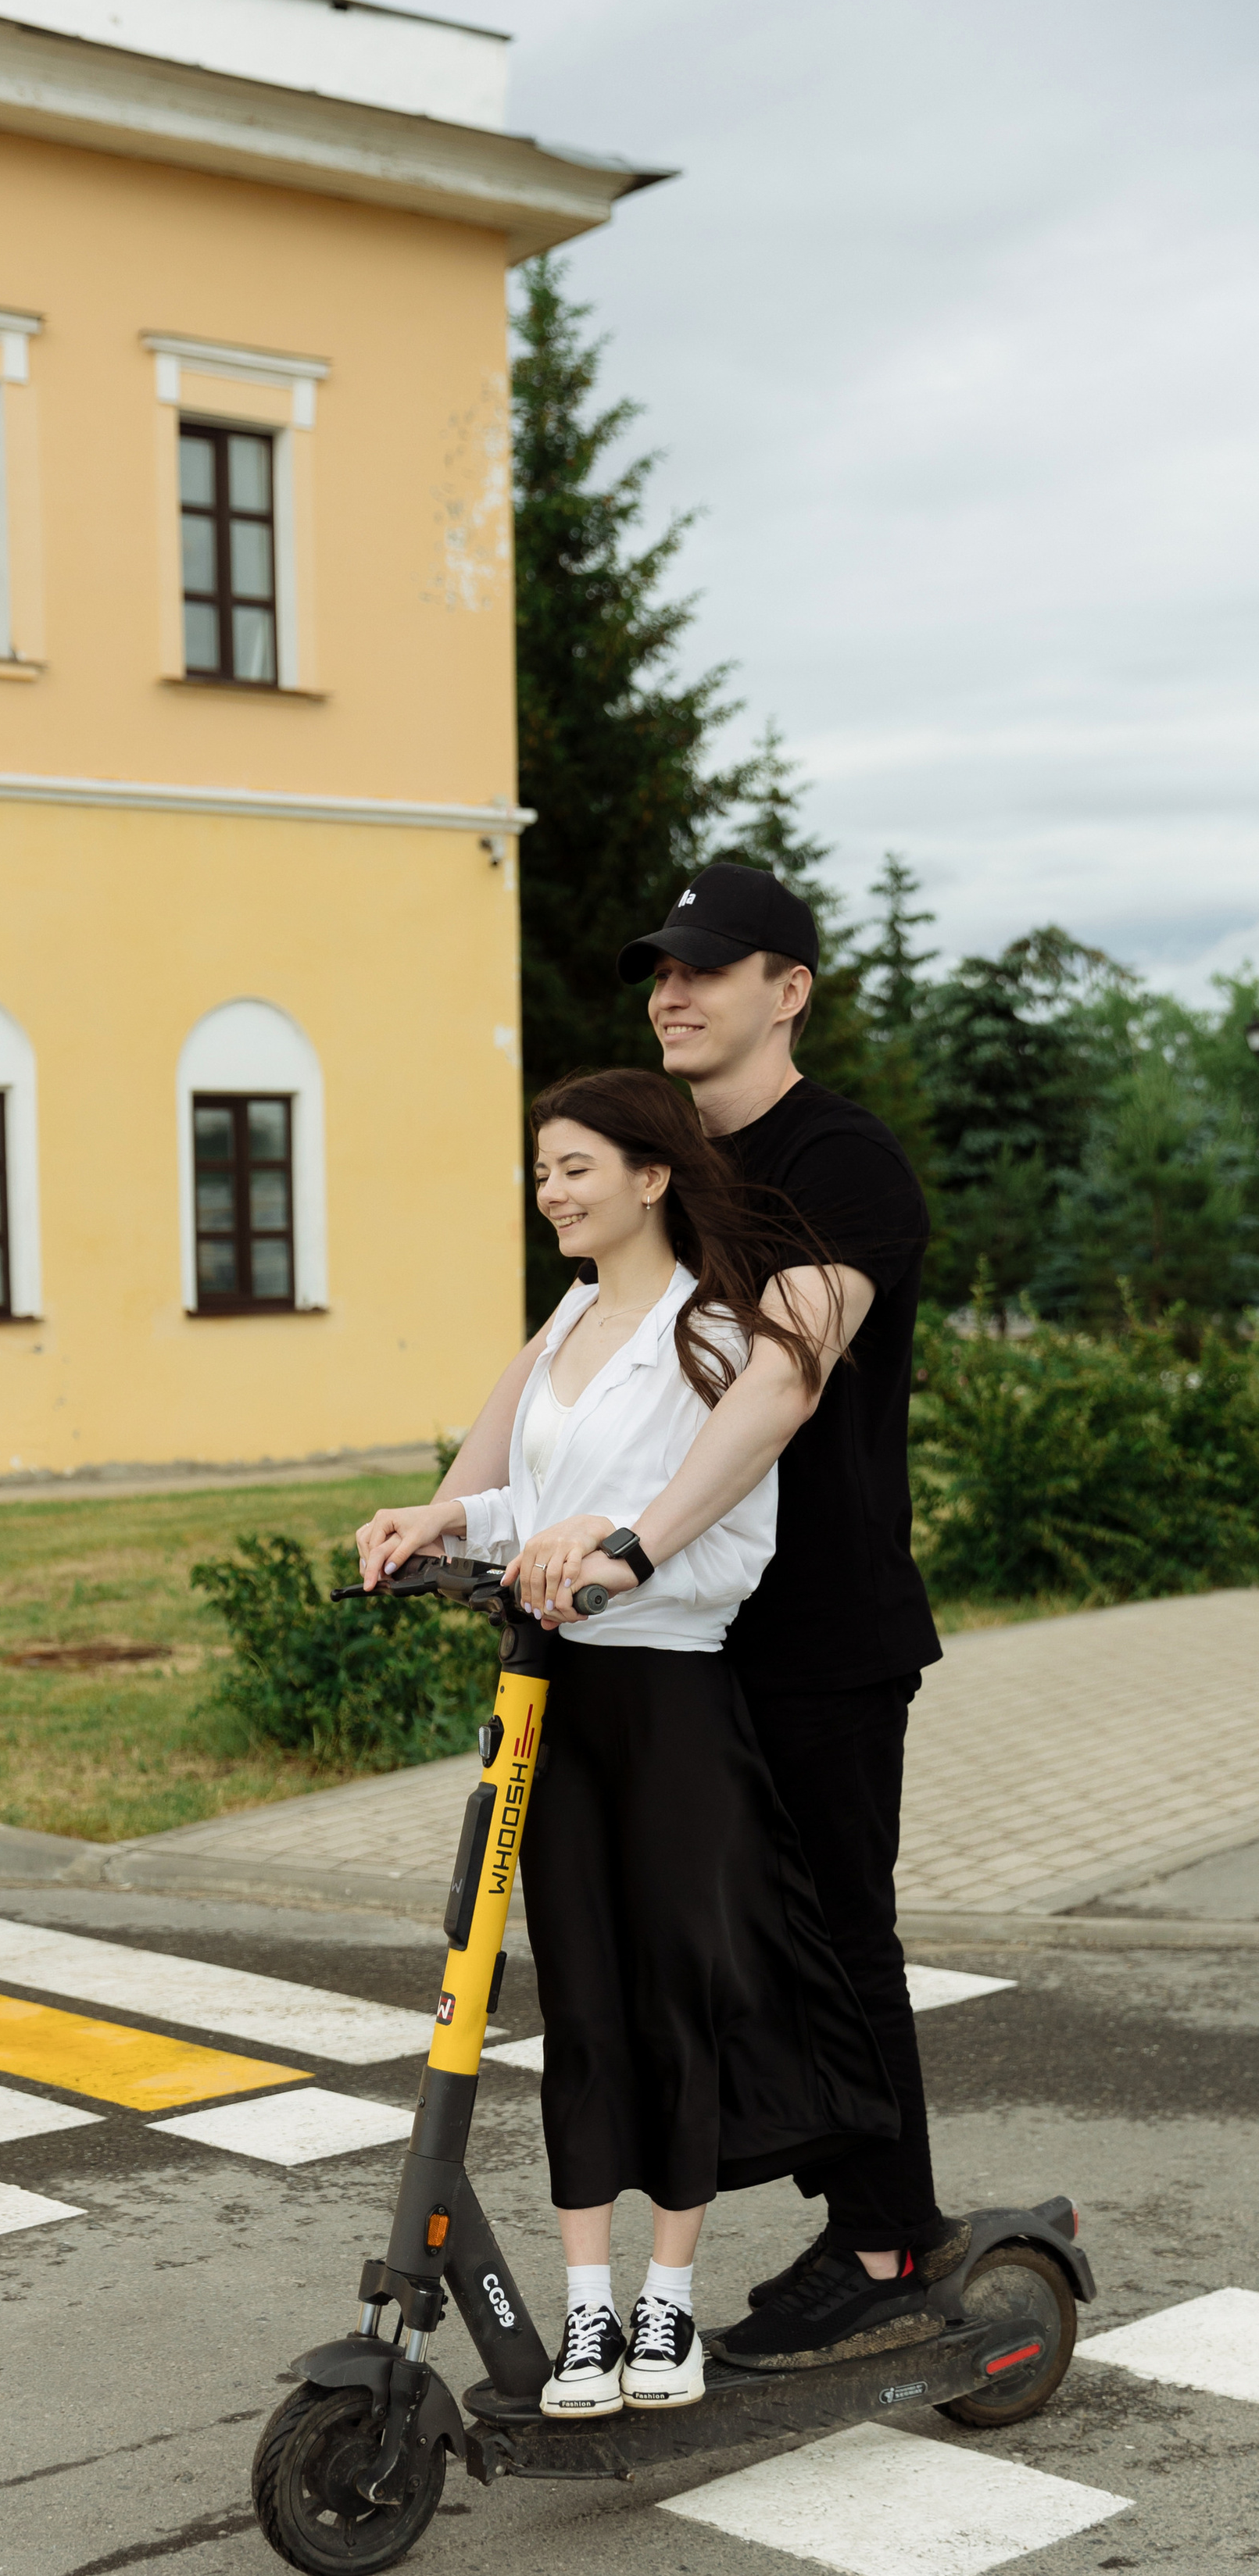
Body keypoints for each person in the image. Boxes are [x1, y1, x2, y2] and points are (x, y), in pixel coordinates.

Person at [359, 862, 955, 2371]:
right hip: (671, 1636)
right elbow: (549, 1351)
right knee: (702, 1950)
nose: (671, 991)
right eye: (660, 970)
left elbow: (783, 1377)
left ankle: (889, 2237)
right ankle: (711, 2253)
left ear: (789, 990)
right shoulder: (660, 1159)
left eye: (707, 966)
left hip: (815, 1628)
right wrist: (450, 1507)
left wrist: (635, 1538)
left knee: (834, 1932)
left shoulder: (842, 1162)